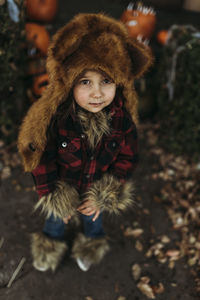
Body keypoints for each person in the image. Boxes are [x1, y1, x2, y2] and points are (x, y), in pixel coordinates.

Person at [18, 13, 152, 272]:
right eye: (85, 82)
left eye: (107, 81)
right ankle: (50, 246)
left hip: (96, 188)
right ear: (69, 83)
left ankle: (90, 245)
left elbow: (127, 157)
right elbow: (41, 158)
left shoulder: (121, 120)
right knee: (55, 221)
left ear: (119, 83)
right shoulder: (58, 119)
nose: (97, 93)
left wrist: (107, 191)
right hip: (63, 186)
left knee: (93, 221)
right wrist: (52, 194)